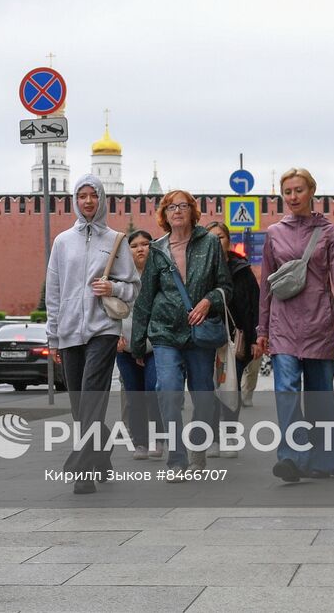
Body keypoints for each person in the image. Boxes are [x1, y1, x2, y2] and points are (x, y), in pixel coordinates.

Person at [255, 167, 334, 482]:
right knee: (285, 389)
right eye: (287, 191)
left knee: (319, 395)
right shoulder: (274, 233)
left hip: (319, 321)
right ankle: (292, 457)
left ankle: (326, 461)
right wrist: (262, 329)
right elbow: (267, 286)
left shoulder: (328, 232)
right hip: (283, 323)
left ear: (311, 191)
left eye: (299, 190)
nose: (293, 196)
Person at [46, 174, 139, 494]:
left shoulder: (116, 239)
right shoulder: (62, 242)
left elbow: (133, 287)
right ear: (75, 200)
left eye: (93, 195)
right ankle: (101, 453)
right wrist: (53, 334)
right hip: (70, 329)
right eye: (82, 195)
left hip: (103, 328)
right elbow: (54, 290)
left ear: (102, 199)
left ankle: (82, 469)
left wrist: (112, 286)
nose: (88, 201)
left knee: (92, 395)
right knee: (79, 405)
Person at [130, 190, 231, 476]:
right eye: (171, 207)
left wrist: (208, 300)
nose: (177, 211)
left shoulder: (210, 244)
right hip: (165, 333)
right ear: (164, 214)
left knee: (203, 395)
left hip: (200, 334)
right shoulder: (157, 249)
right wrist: (139, 345)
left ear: (192, 211)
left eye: (183, 206)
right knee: (170, 392)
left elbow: (226, 287)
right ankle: (176, 458)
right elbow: (145, 297)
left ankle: (197, 447)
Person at [204, 221, 258, 459]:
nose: (216, 242)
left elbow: (254, 305)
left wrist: (256, 338)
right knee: (208, 389)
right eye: (211, 238)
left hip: (234, 339)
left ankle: (229, 437)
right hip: (206, 338)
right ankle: (213, 438)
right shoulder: (199, 269)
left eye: (221, 237)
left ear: (229, 240)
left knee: (230, 387)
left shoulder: (241, 269)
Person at [118, 230, 161, 461]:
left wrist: (145, 344)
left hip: (154, 347)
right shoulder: (120, 279)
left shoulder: (160, 276)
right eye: (134, 245)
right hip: (124, 348)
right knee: (133, 396)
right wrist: (115, 336)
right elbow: (110, 311)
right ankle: (140, 442)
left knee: (154, 390)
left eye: (146, 244)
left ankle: (158, 438)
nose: (141, 248)